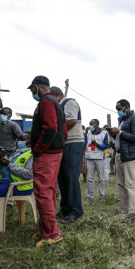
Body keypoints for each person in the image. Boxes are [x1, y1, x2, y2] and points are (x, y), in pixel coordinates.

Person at [28, 75, 66, 247]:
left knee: (43, 192)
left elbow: (51, 128)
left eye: (32, 89)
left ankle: (52, 234)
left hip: (46, 154)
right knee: (48, 192)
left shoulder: (45, 102)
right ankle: (46, 229)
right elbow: (63, 131)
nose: (32, 93)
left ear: (37, 87)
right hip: (54, 153)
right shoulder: (55, 102)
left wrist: (38, 149)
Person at [50, 86, 85, 224]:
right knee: (62, 178)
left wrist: (56, 133)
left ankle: (76, 210)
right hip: (64, 143)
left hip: (73, 142)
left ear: (56, 95)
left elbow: (71, 121)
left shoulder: (69, 102)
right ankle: (65, 208)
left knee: (71, 177)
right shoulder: (59, 105)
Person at [108, 99, 135, 217]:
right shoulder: (122, 120)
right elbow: (120, 136)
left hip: (129, 155)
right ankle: (124, 210)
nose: (118, 112)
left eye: (119, 109)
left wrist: (120, 132)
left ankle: (133, 211)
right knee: (121, 184)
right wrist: (112, 132)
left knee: (130, 184)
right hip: (119, 154)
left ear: (126, 107)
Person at [0, 133, 34, 210]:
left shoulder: (32, 155)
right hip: (9, 183)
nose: (19, 142)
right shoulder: (19, 152)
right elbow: (9, 167)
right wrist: (1, 157)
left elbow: (29, 174)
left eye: (22, 140)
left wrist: (9, 164)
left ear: (29, 142)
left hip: (20, 187)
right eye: (18, 139)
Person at [0, 108, 22, 180]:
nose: (2, 116)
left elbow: (21, 137)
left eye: (4, 114)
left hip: (7, 154)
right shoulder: (0, 125)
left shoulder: (13, 125)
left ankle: (7, 189)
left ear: (10, 115)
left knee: (6, 174)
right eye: (0, 114)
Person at [86, 119, 109, 200]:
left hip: (100, 158)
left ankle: (101, 195)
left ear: (96, 124)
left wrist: (98, 145)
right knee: (90, 179)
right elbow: (86, 143)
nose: (90, 126)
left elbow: (106, 145)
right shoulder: (88, 133)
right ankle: (90, 196)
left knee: (101, 178)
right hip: (89, 158)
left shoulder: (104, 133)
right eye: (90, 124)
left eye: (92, 124)